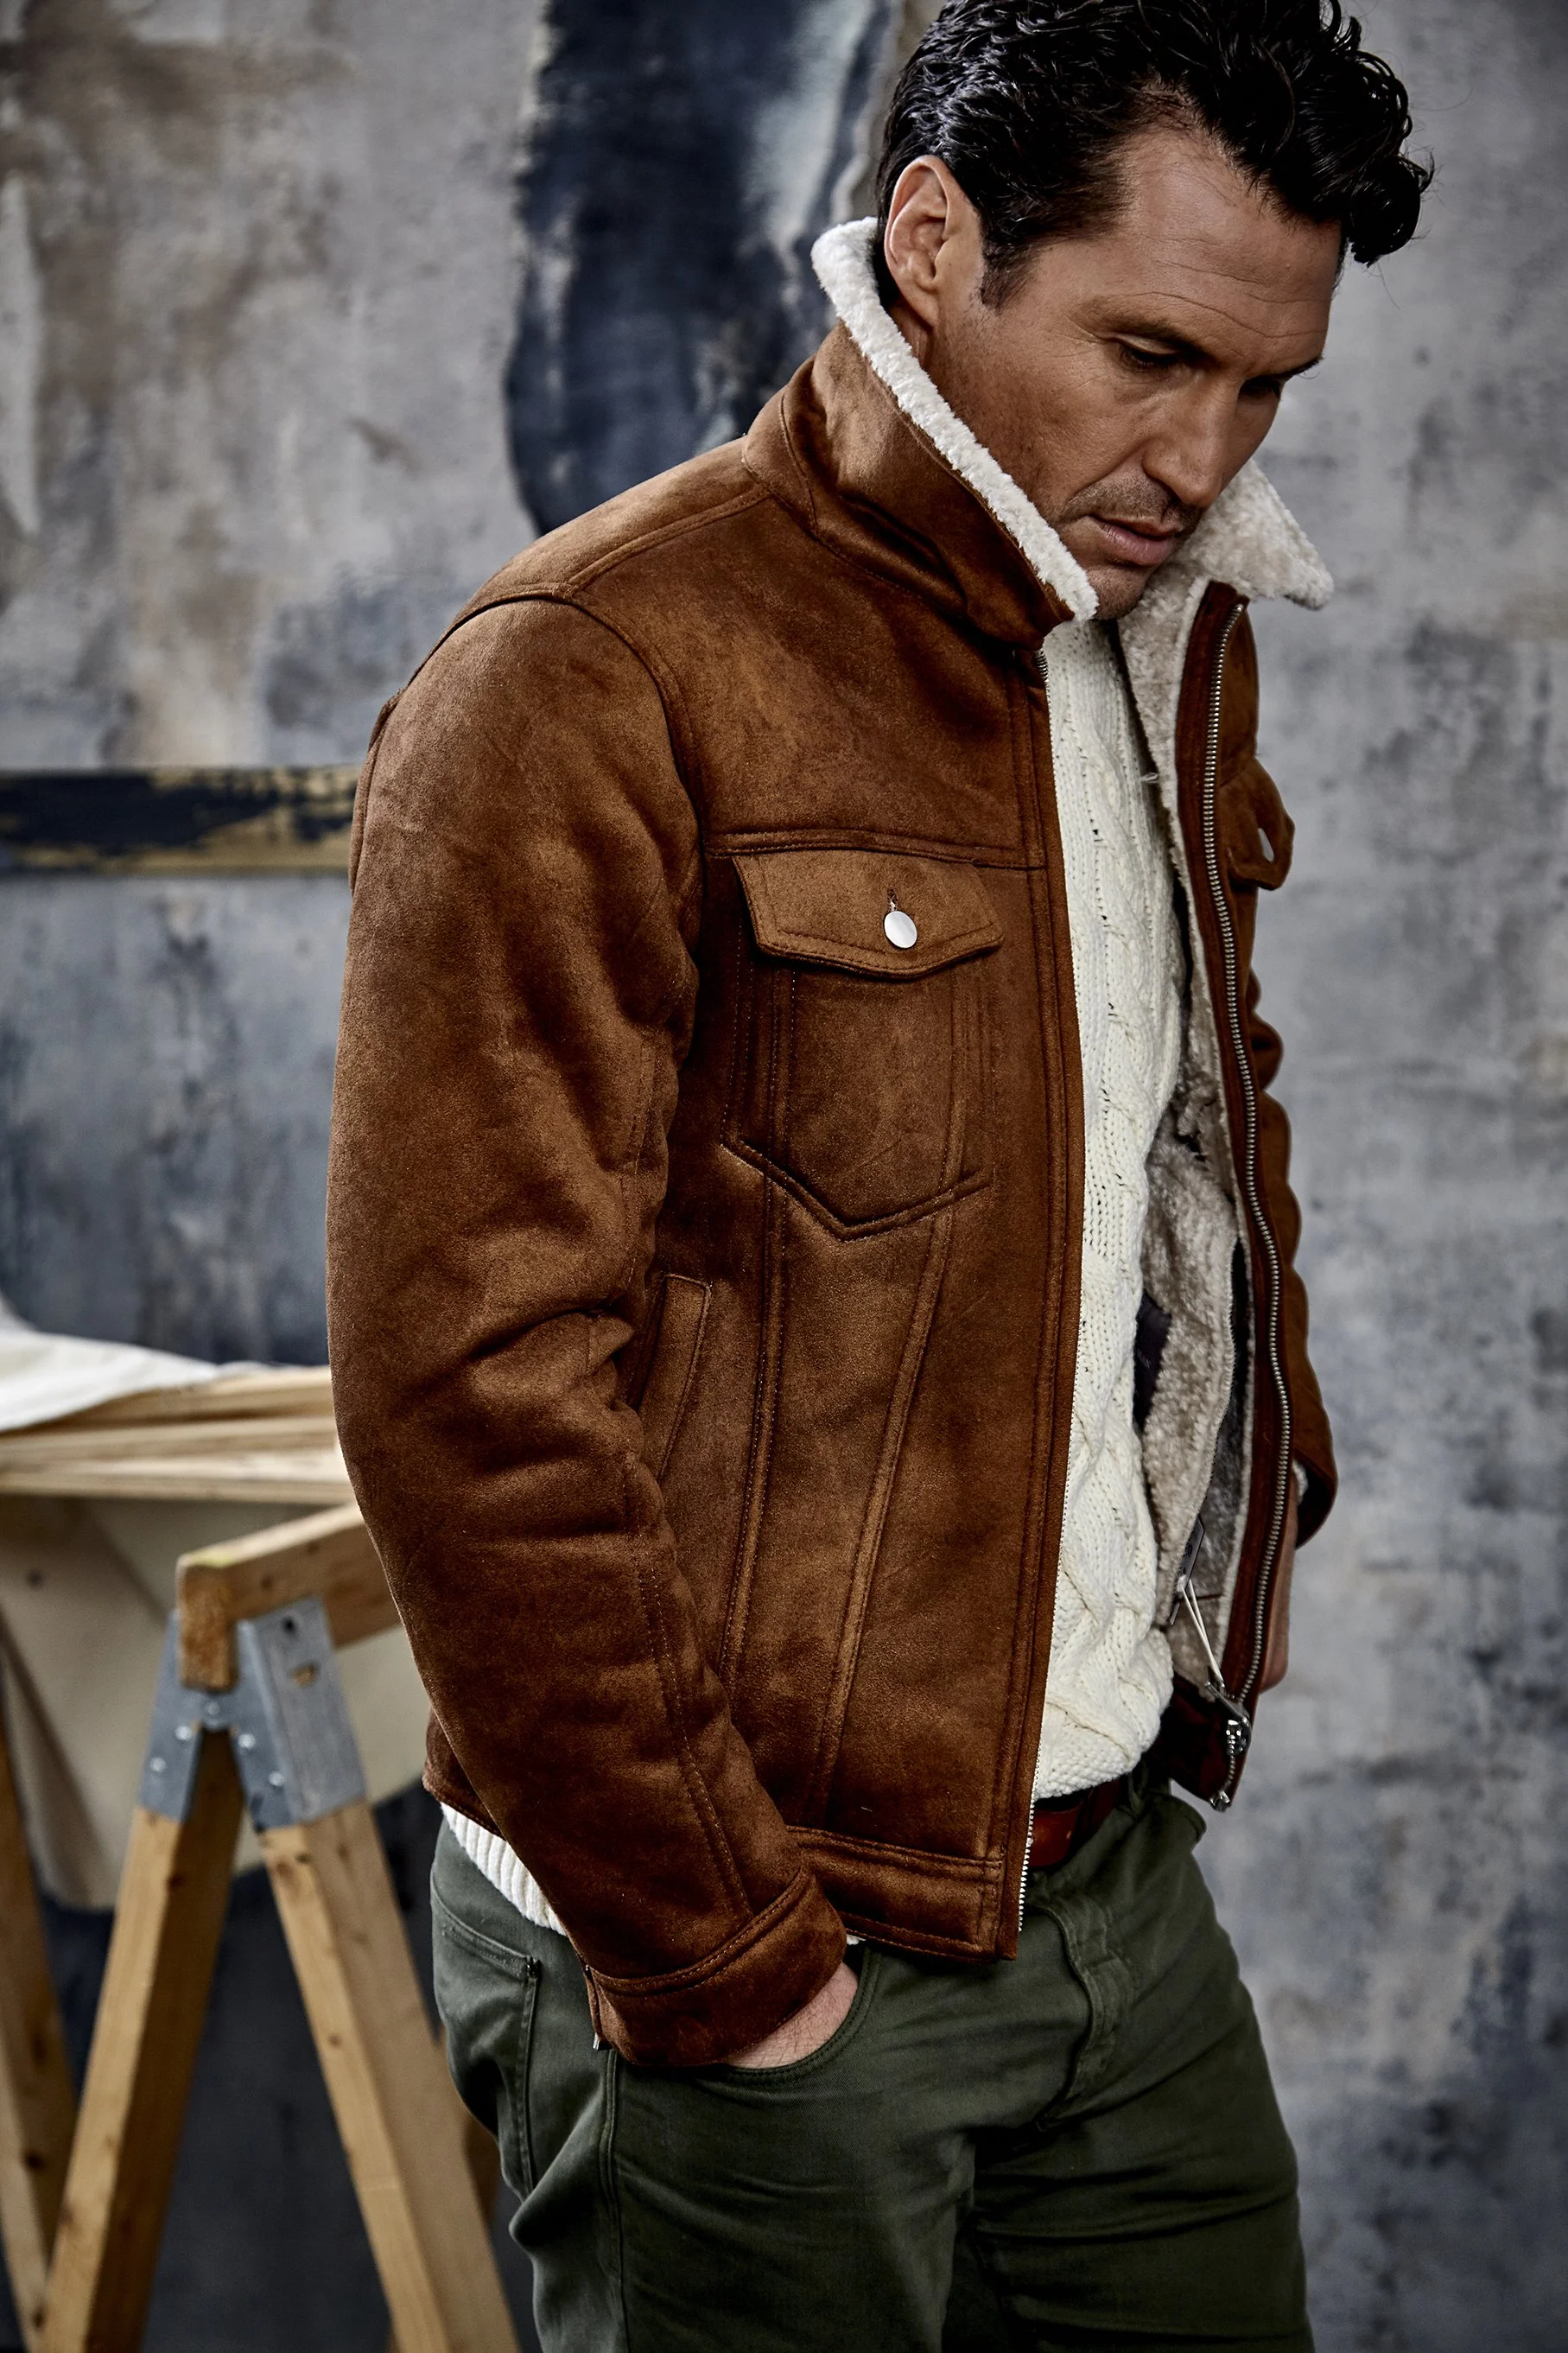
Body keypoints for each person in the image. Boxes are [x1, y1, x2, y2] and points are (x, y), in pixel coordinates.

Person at [327, 3, 1430, 2344]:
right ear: (933, 240)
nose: (1201, 452)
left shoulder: (1154, 638)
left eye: (1265, 386)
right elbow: (467, 1384)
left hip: (1105, 1878)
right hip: (752, 1942)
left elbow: (1188, 1152)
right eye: (1147, 352)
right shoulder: (587, 671)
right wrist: (720, 1955)